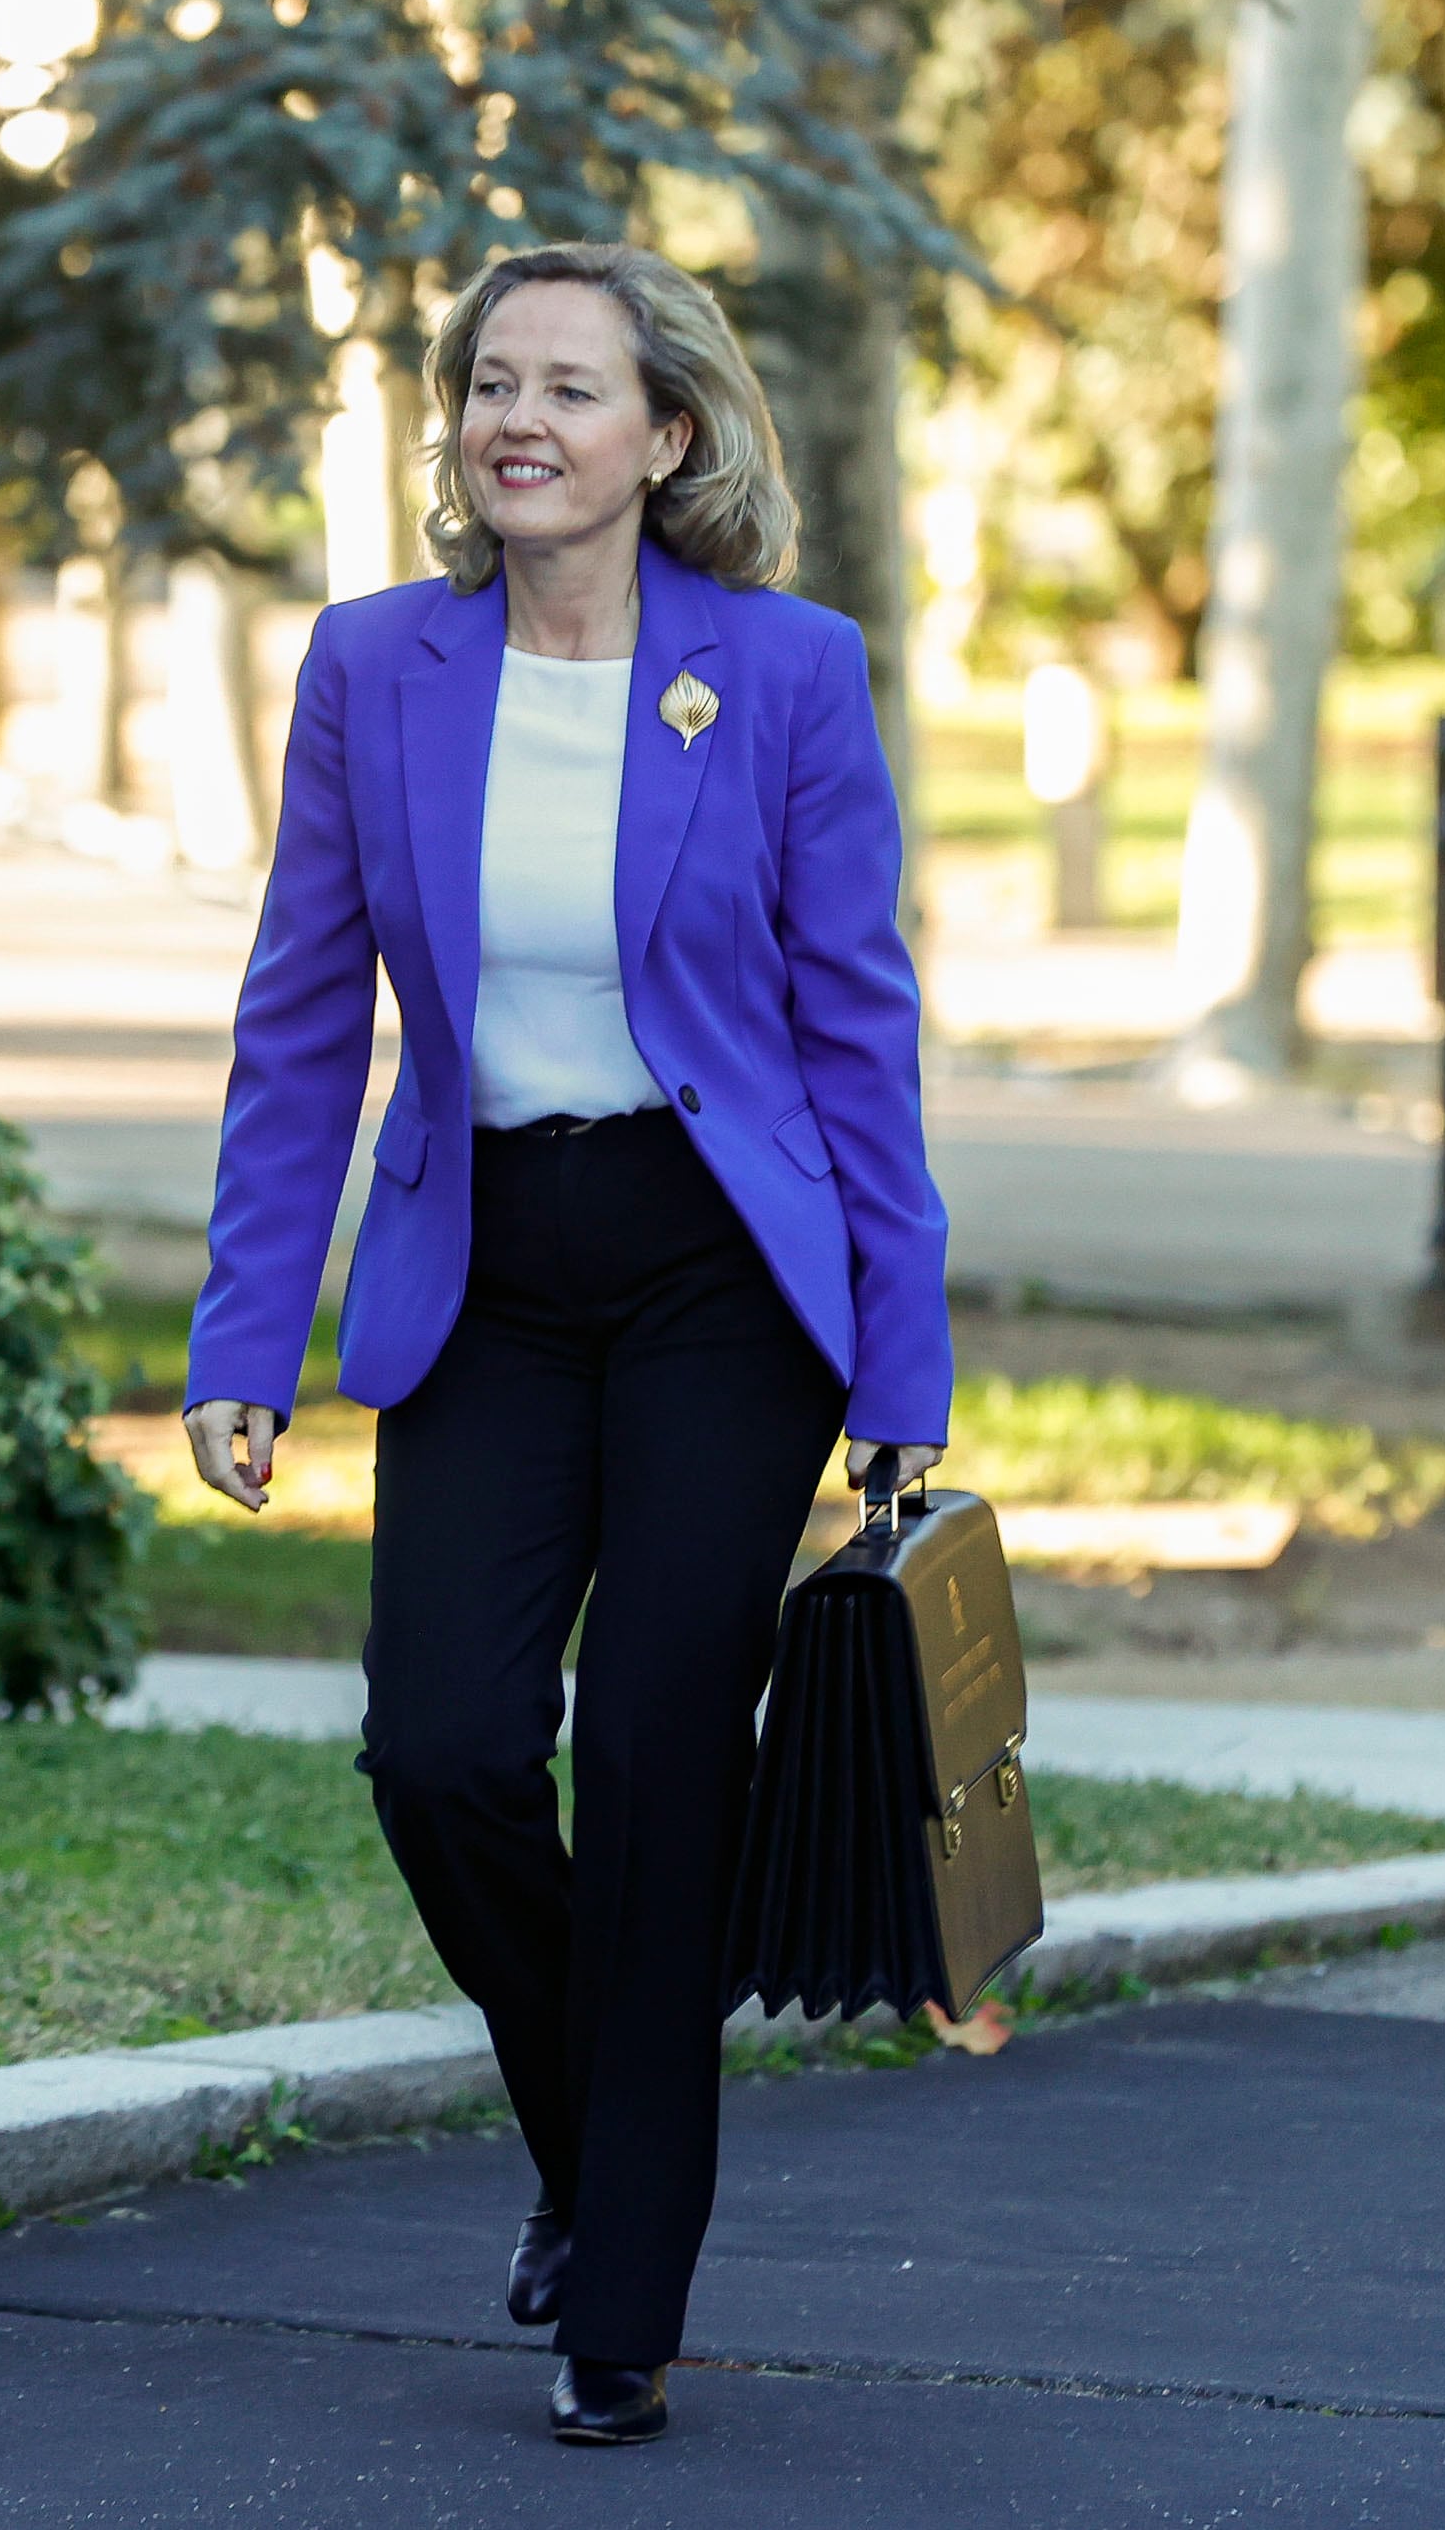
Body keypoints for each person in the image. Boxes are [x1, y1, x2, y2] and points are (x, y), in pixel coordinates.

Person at [179, 240, 951, 2447]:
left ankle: (627, 2301)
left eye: (573, 389)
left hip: (724, 1273)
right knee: (438, 1749)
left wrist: (901, 1380)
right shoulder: (376, 668)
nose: (521, 419)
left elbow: (858, 1037)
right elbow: (302, 1018)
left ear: (668, 436)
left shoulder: (785, 674)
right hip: (487, 1268)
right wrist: (249, 1332)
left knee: (655, 1766)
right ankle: (587, 2152)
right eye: (490, 383)